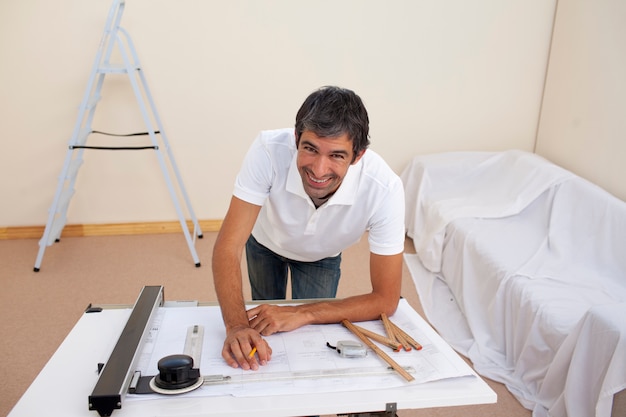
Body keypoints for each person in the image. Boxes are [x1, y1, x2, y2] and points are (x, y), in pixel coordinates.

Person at [212, 86, 405, 371]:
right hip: (265, 242)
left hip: (322, 257)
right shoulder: (267, 150)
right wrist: (237, 326)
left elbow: (386, 300)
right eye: (310, 149)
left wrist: (303, 313)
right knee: (262, 323)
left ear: (358, 155)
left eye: (337, 156)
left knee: (309, 333)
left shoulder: (385, 189)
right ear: (296, 139)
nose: (318, 169)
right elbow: (228, 247)